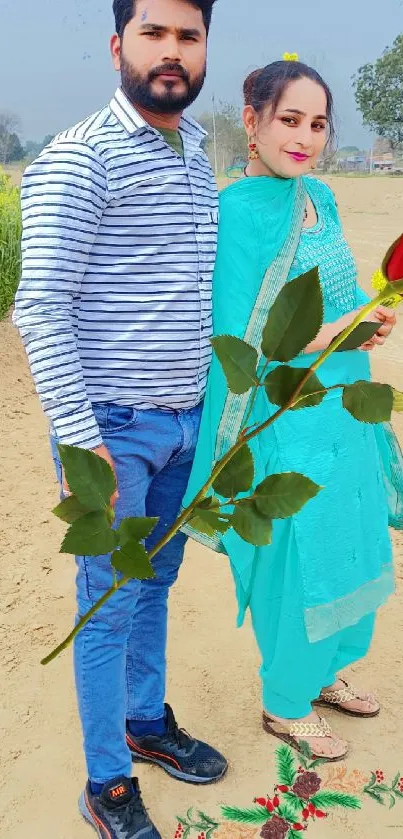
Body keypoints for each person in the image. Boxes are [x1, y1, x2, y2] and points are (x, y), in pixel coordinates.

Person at [13, 1, 228, 836]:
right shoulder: (81, 158)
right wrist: (82, 443)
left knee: (156, 582)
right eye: (154, 33)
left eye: (188, 36)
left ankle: (145, 722)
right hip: (109, 429)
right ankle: (106, 782)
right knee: (107, 599)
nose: (171, 52)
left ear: (203, 47)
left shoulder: (196, 153)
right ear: (117, 46)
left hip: (183, 422)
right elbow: (40, 308)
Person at [183, 57, 398, 762]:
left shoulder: (321, 197)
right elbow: (239, 342)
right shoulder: (238, 212)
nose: (304, 136)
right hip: (283, 416)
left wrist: (364, 322)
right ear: (251, 122)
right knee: (299, 563)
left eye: (316, 122)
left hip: (344, 410)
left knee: (351, 545)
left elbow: (334, 298)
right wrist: (326, 334)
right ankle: (283, 701)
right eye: (288, 119)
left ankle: (321, 671)